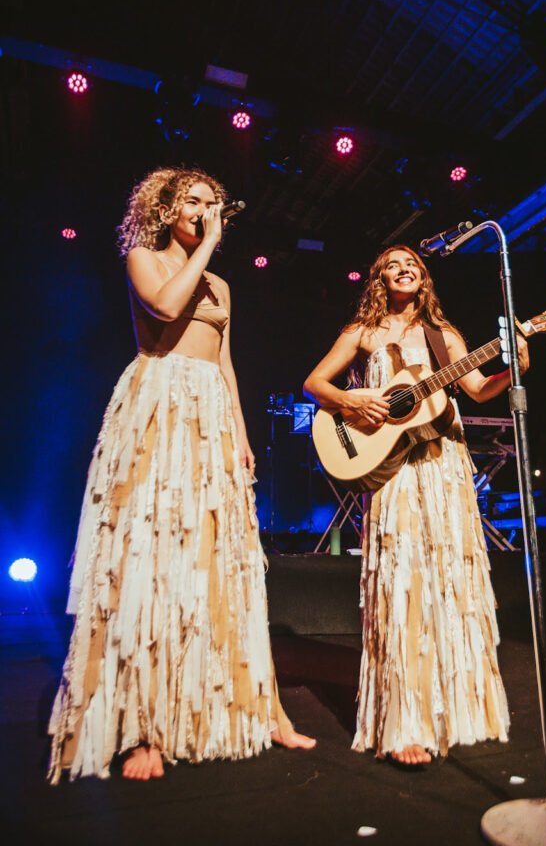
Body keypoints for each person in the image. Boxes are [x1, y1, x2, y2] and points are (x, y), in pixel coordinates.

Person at [48, 166, 315, 783]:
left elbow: (224, 362)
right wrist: (208, 247)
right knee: (152, 559)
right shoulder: (144, 258)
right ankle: (145, 727)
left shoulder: (222, 285)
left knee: (221, 562)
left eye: (213, 203)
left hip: (211, 418)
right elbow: (166, 309)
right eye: (194, 202)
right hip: (158, 407)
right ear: (167, 209)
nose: (205, 211)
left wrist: (243, 437)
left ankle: (259, 708)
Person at [303, 245, 529, 766]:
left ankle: (453, 710)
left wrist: (515, 363)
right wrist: (353, 399)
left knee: (447, 580)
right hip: (393, 470)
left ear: (422, 277)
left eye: (412, 264)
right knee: (402, 585)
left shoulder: (444, 336)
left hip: (443, 466)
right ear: (380, 278)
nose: (404, 269)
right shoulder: (363, 332)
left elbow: (477, 390)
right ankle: (403, 720)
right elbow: (315, 383)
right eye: (392, 264)